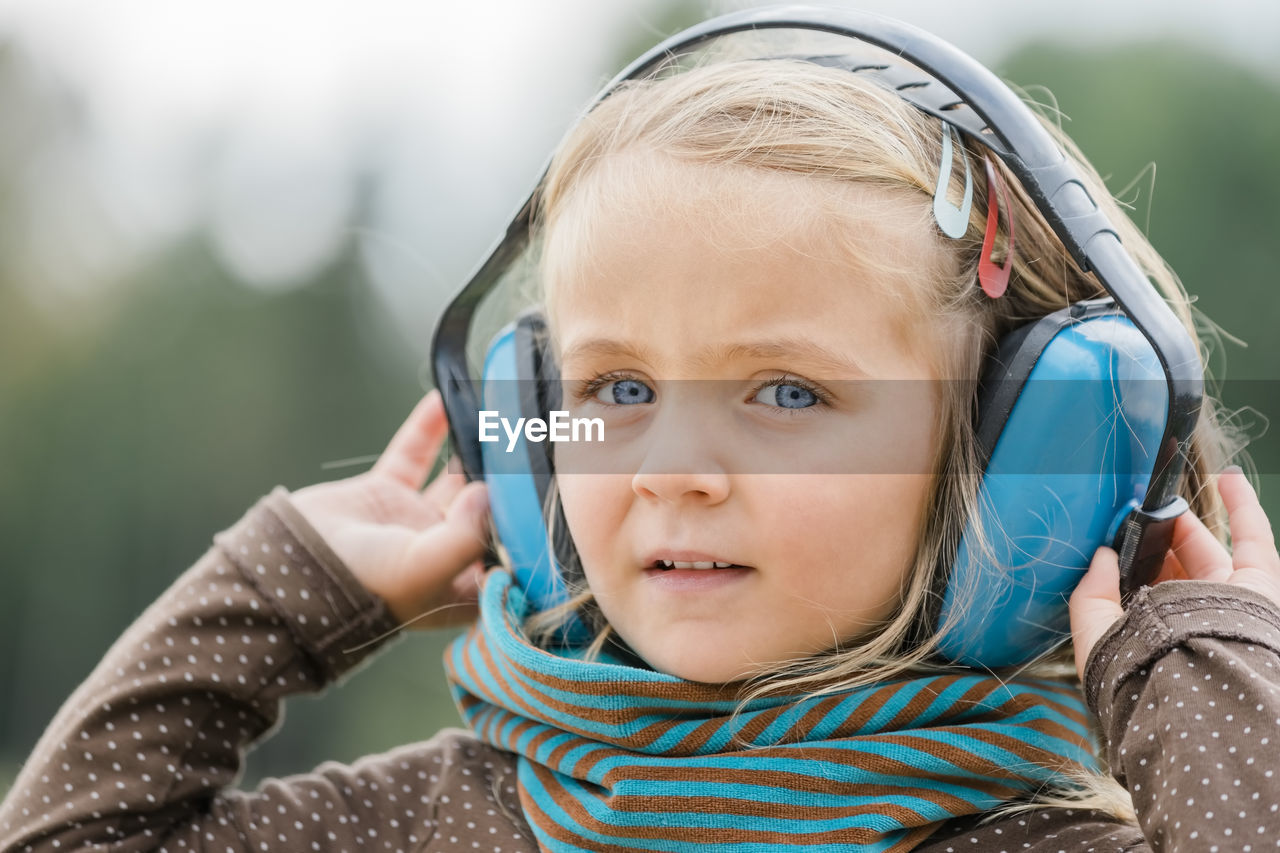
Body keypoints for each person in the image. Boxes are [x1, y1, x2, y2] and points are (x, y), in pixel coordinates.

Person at [3, 13, 1280, 853]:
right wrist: (279, 588)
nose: (671, 470)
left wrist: (1213, 680)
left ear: (1024, 470)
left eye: (785, 392)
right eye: (614, 391)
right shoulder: (451, 823)